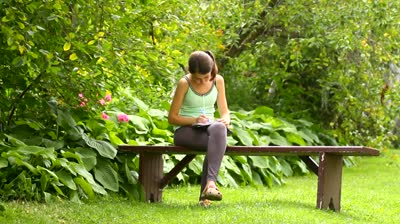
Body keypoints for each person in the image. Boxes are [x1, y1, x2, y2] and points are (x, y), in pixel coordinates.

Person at [168, 50, 230, 207]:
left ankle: (210, 185)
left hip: (209, 129)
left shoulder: (218, 81)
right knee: (215, 143)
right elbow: (172, 118)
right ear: (190, 73)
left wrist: (226, 119)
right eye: (197, 78)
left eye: (206, 77)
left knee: (219, 128)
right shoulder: (184, 83)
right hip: (186, 131)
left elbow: (225, 111)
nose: (202, 82)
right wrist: (194, 120)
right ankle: (206, 196)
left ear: (212, 70)